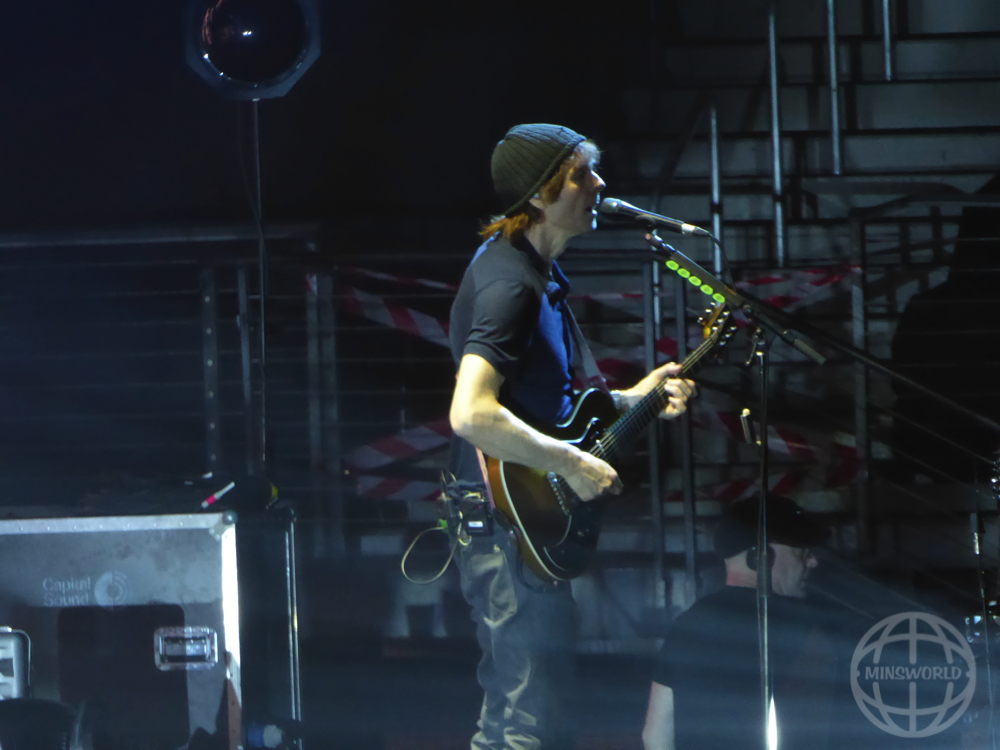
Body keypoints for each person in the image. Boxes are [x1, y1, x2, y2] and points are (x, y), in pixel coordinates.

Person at [446, 123, 696, 750]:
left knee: (517, 720)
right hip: (507, 528)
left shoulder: (537, 275)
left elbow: (546, 407)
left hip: (516, 524)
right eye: (581, 174)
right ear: (539, 193)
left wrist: (634, 400)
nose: (599, 184)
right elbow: (471, 414)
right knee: (533, 724)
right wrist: (573, 463)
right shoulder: (511, 285)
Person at [642, 494, 833, 750]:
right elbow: (811, 730)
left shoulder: (688, 623)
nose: (812, 561)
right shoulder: (802, 627)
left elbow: (655, 734)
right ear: (760, 557)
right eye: (801, 552)